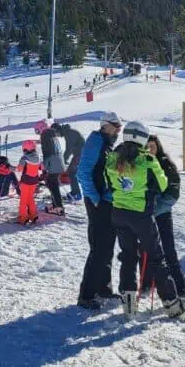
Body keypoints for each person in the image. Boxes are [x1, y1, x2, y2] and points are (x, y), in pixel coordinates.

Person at [106, 121, 185, 318]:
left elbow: (109, 183)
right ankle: (171, 302)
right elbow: (162, 184)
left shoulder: (112, 158)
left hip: (118, 213)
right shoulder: (148, 160)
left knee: (128, 256)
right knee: (156, 258)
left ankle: (129, 305)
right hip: (141, 215)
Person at [77, 112, 122, 310]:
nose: (118, 129)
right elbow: (83, 172)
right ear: (105, 125)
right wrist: (94, 198)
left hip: (106, 200)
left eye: (120, 125)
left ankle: (103, 288)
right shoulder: (96, 140)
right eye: (115, 125)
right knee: (99, 248)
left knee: (107, 246)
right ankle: (86, 294)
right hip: (97, 202)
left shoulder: (106, 143)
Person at [143, 135, 185, 300]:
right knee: (146, 250)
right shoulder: (140, 164)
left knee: (168, 250)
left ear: (158, 147)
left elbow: (173, 192)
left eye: (153, 146)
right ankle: (146, 283)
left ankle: (182, 288)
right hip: (144, 214)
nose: (150, 150)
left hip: (161, 213)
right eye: (147, 146)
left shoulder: (165, 164)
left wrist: (157, 207)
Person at [36, 120, 66, 215]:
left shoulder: (45, 135)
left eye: (37, 130)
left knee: (52, 184)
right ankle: (56, 205)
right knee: (53, 184)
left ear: (41, 128)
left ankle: (58, 207)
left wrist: (45, 168)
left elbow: (46, 152)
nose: (37, 132)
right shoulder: (53, 134)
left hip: (52, 162)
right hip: (59, 161)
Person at [52, 122, 85, 201]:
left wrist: (62, 161)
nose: (57, 136)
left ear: (58, 130)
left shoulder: (69, 133)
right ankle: (76, 192)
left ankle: (76, 193)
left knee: (71, 172)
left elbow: (69, 150)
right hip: (79, 154)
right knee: (73, 172)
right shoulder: (68, 132)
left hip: (80, 154)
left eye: (56, 134)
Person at [16, 140, 41, 224]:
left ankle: (23, 217)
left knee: (23, 200)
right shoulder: (38, 157)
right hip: (34, 181)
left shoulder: (24, 158)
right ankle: (33, 215)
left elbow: (19, 169)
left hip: (26, 181)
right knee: (30, 198)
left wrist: (9, 167)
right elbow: (41, 167)